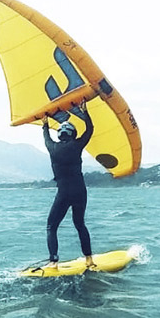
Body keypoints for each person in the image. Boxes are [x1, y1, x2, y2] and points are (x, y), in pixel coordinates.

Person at [42, 101, 95, 269]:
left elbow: (46, 137)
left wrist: (44, 123)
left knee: (51, 226)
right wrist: (85, 112)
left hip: (63, 193)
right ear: (73, 134)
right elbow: (90, 130)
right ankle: (89, 260)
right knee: (80, 224)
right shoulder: (77, 145)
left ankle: (53, 261)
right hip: (80, 191)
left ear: (60, 134)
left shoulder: (52, 148)